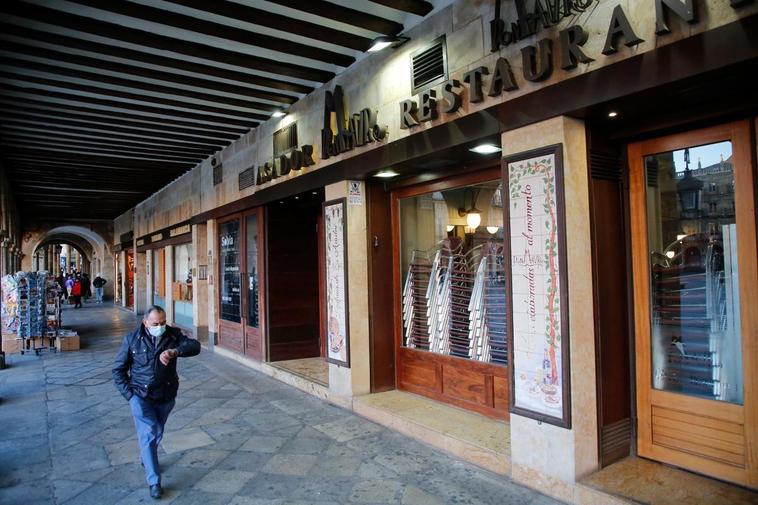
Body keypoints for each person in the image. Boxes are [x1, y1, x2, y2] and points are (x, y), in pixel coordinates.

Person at [112, 305, 200, 499]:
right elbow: (118, 371)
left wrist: (174, 352)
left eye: (162, 323)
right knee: (149, 433)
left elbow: (195, 346)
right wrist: (130, 396)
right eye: (155, 324)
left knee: (157, 431)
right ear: (145, 322)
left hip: (166, 395)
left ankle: (146, 455)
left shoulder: (172, 335)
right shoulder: (132, 340)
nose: (159, 326)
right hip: (140, 396)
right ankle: (154, 481)